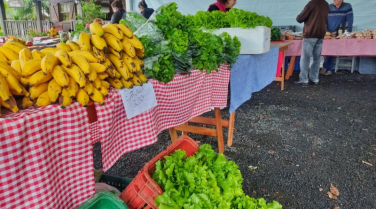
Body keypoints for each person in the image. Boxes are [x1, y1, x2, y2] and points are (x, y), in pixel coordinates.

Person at [295, 0, 329, 86]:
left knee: (305, 58)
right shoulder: (326, 4)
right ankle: (314, 79)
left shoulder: (312, 3)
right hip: (321, 34)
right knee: (317, 58)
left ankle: (304, 79)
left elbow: (299, 18)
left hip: (310, 34)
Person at [320, 0, 354, 76]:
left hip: (340, 33)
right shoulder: (329, 7)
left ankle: (326, 68)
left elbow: (350, 19)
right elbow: (324, 19)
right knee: (328, 50)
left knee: (331, 49)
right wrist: (325, 31)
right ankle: (328, 69)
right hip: (329, 33)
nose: (334, 0)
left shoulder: (347, 6)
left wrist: (348, 32)